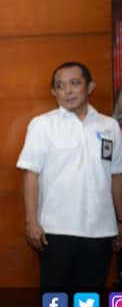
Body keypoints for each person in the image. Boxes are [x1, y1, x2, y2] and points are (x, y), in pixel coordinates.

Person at [17, 62, 122, 289]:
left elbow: (116, 176)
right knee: (56, 305)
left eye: (75, 83)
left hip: (101, 232)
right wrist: (31, 221)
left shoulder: (110, 126)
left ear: (90, 87)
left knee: (88, 306)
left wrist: (121, 220)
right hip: (56, 232)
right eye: (60, 86)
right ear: (54, 92)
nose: (68, 90)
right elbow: (30, 174)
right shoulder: (43, 125)